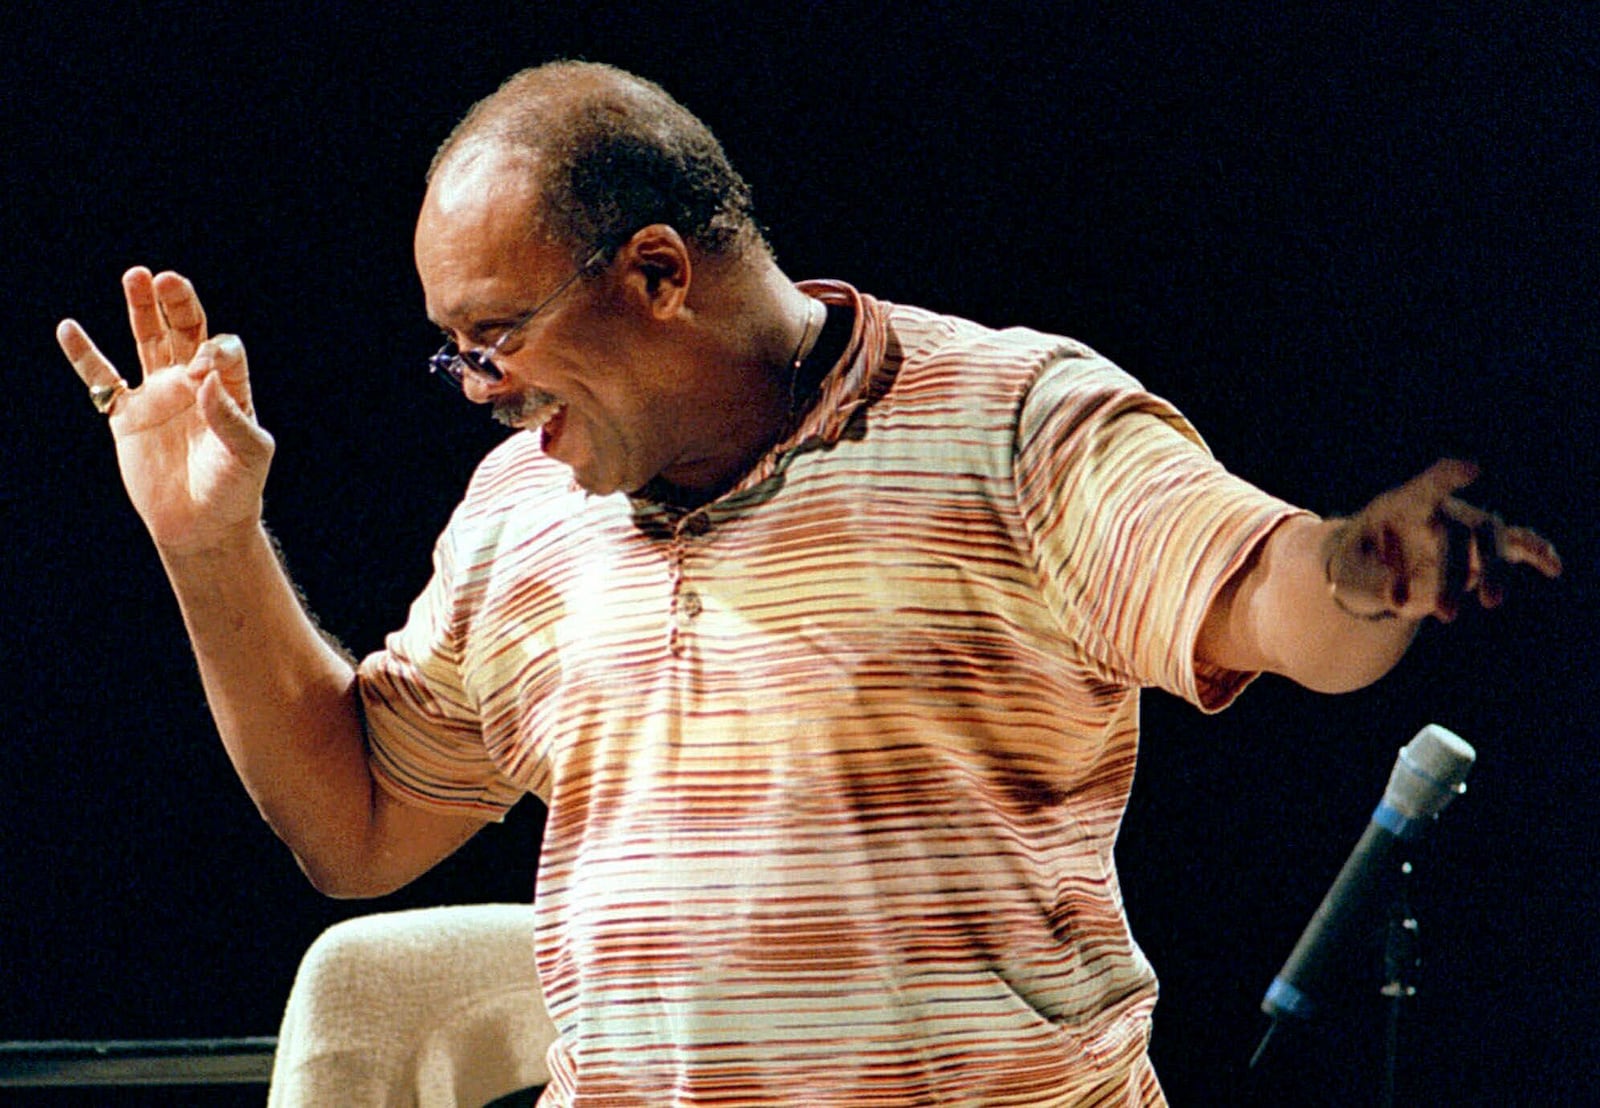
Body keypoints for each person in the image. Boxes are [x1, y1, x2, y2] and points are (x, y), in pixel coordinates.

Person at [57, 61, 1560, 1107]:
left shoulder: (1015, 425)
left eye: (496, 333)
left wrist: (1357, 569)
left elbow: (1267, 601)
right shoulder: (523, 513)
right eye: (452, 347)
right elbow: (357, 825)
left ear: (656, 274)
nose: (473, 385)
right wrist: (208, 546)